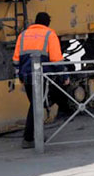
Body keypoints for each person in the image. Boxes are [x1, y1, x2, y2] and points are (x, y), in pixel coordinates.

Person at [12, 12, 63, 149]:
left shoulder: (23, 35)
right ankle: (28, 139)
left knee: (35, 105)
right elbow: (56, 59)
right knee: (36, 105)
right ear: (47, 23)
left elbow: (16, 59)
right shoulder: (49, 34)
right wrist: (65, 77)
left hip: (26, 76)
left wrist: (19, 76)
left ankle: (37, 135)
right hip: (41, 75)